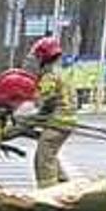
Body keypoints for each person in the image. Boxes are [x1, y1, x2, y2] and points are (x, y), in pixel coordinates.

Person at [23, 36, 78, 187]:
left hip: (58, 122)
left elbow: (44, 99)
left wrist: (30, 95)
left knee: (44, 157)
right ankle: (64, 184)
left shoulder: (49, 76)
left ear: (43, 57)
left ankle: (48, 191)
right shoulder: (61, 72)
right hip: (65, 120)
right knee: (50, 154)